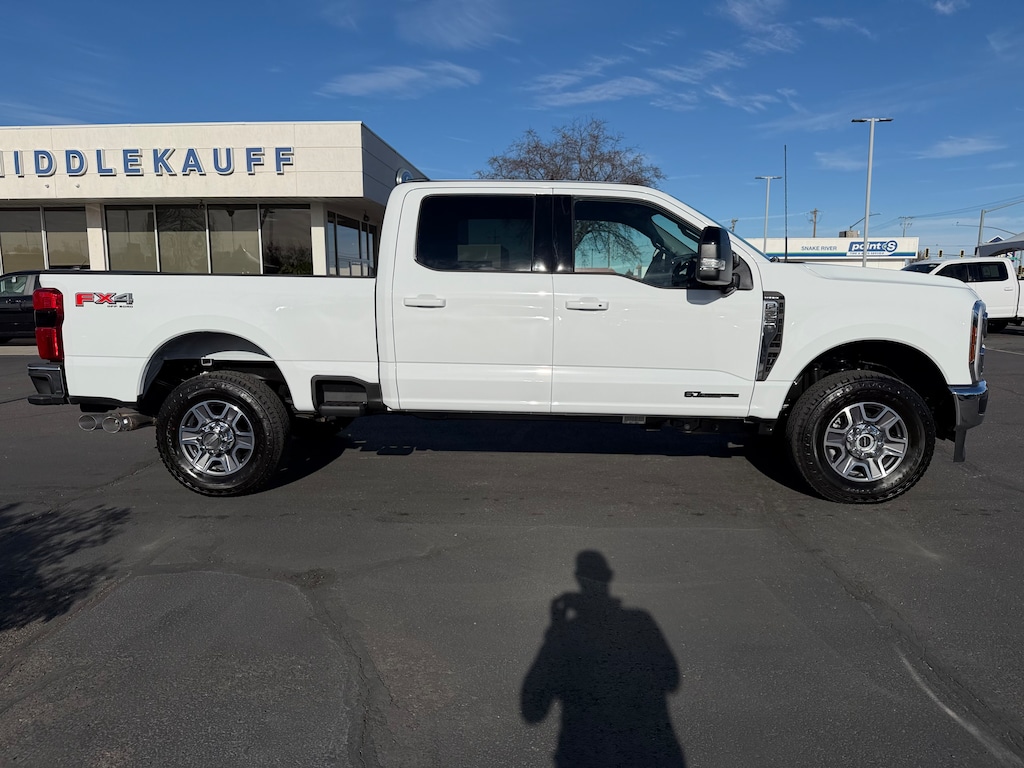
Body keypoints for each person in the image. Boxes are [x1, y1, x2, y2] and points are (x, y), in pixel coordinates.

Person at [521, 550, 686, 767]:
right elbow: (671, 680)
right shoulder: (640, 623)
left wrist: (555, 633)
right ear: (609, 576)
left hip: (584, 755)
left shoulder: (567, 637)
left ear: (578, 579)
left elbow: (533, 710)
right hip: (644, 753)